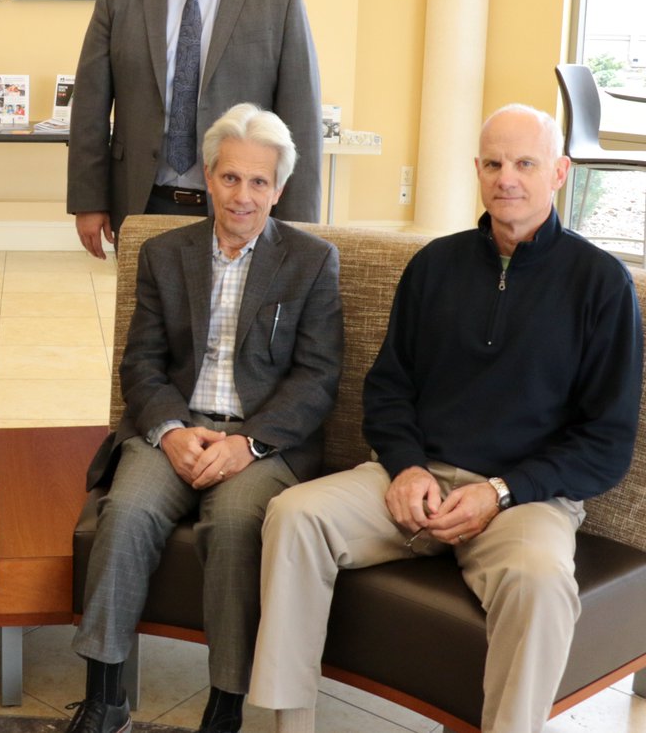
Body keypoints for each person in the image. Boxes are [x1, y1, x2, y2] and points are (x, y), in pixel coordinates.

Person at [248, 105, 644, 733]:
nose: (506, 178)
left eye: (524, 164)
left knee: (542, 582)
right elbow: (388, 389)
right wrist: (404, 468)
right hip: (414, 480)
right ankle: (281, 727)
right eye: (493, 163)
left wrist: (501, 491)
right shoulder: (436, 264)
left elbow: (606, 442)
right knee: (294, 515)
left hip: (524, 500)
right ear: (477, 170)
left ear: (560, 173)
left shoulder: (602, 285)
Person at [68, 103, 343, 733]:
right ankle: (105, 696)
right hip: (174, 430)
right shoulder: (166, 253)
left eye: (258, 182)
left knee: (237, 526)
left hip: (259, 444)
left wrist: (248, 443)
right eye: (229, 178)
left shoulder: (310, 261)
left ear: (278, 189)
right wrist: (171, 431)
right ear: (207, 177)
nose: (242, 196)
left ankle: (224, 704)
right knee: (127, 511)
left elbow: (315, 378)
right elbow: (141, 364)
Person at [67, 0, 323, 259]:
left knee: (233, 320)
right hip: (142, 201)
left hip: (241, 206)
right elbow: (90, 108)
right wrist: (88, 199)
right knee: (147, 320)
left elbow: (301, 116)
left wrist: (298, 221)